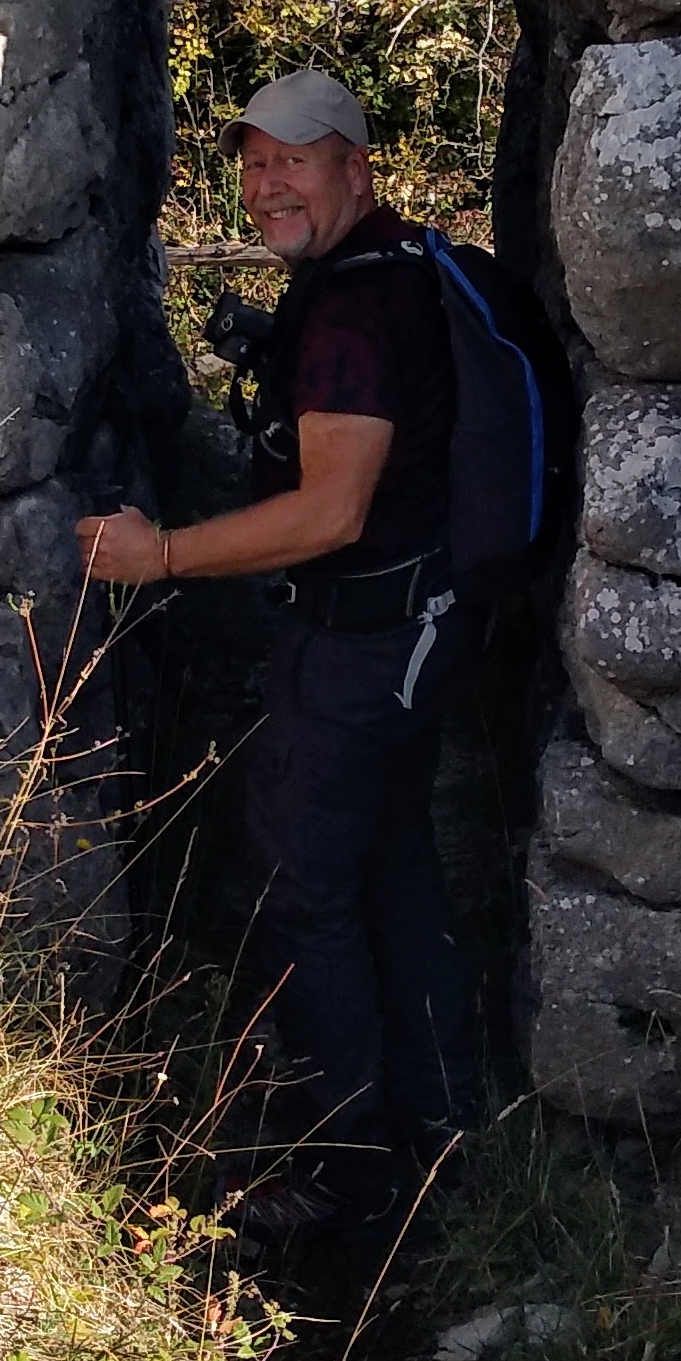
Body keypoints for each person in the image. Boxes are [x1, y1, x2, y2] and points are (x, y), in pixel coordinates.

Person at [76, 66, 480, 1238]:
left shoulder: (352, 315)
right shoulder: (390, 270)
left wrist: (162, 554)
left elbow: (329, 512)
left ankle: (348, 1176)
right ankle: (441, 1128)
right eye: (254, 163)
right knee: (388, 868)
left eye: (294, 159)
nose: (267, 185)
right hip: (413, 625)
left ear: (356, 166)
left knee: (301, 890)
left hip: (364, 641)